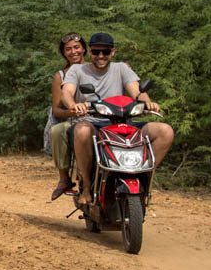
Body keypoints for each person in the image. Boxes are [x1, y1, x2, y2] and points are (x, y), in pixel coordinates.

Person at [61, 33, 174, 205]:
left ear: (112, 52)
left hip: (122, 123)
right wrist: (74, 105)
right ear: (89, 52)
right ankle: (86, 187)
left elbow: (137, 91)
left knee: (165, 131)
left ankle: (142, 180)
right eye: (96, 51)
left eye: (105, 52)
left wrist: (148, 104)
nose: (100, 56)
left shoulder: (121, 68)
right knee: (82, 130)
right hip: (92, 122)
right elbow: (66, 92)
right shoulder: (77, 70)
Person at [45, 32, 85, 200]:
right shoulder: (60, 76)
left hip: (97, 118)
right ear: (64, 53)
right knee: (57, 131)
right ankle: (64, 178)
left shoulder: (95, 70)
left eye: (76, 47)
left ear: (84, 49)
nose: (73, 52)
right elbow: (56, 110)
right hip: (73, 120)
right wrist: (74, 111)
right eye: (68, 49)